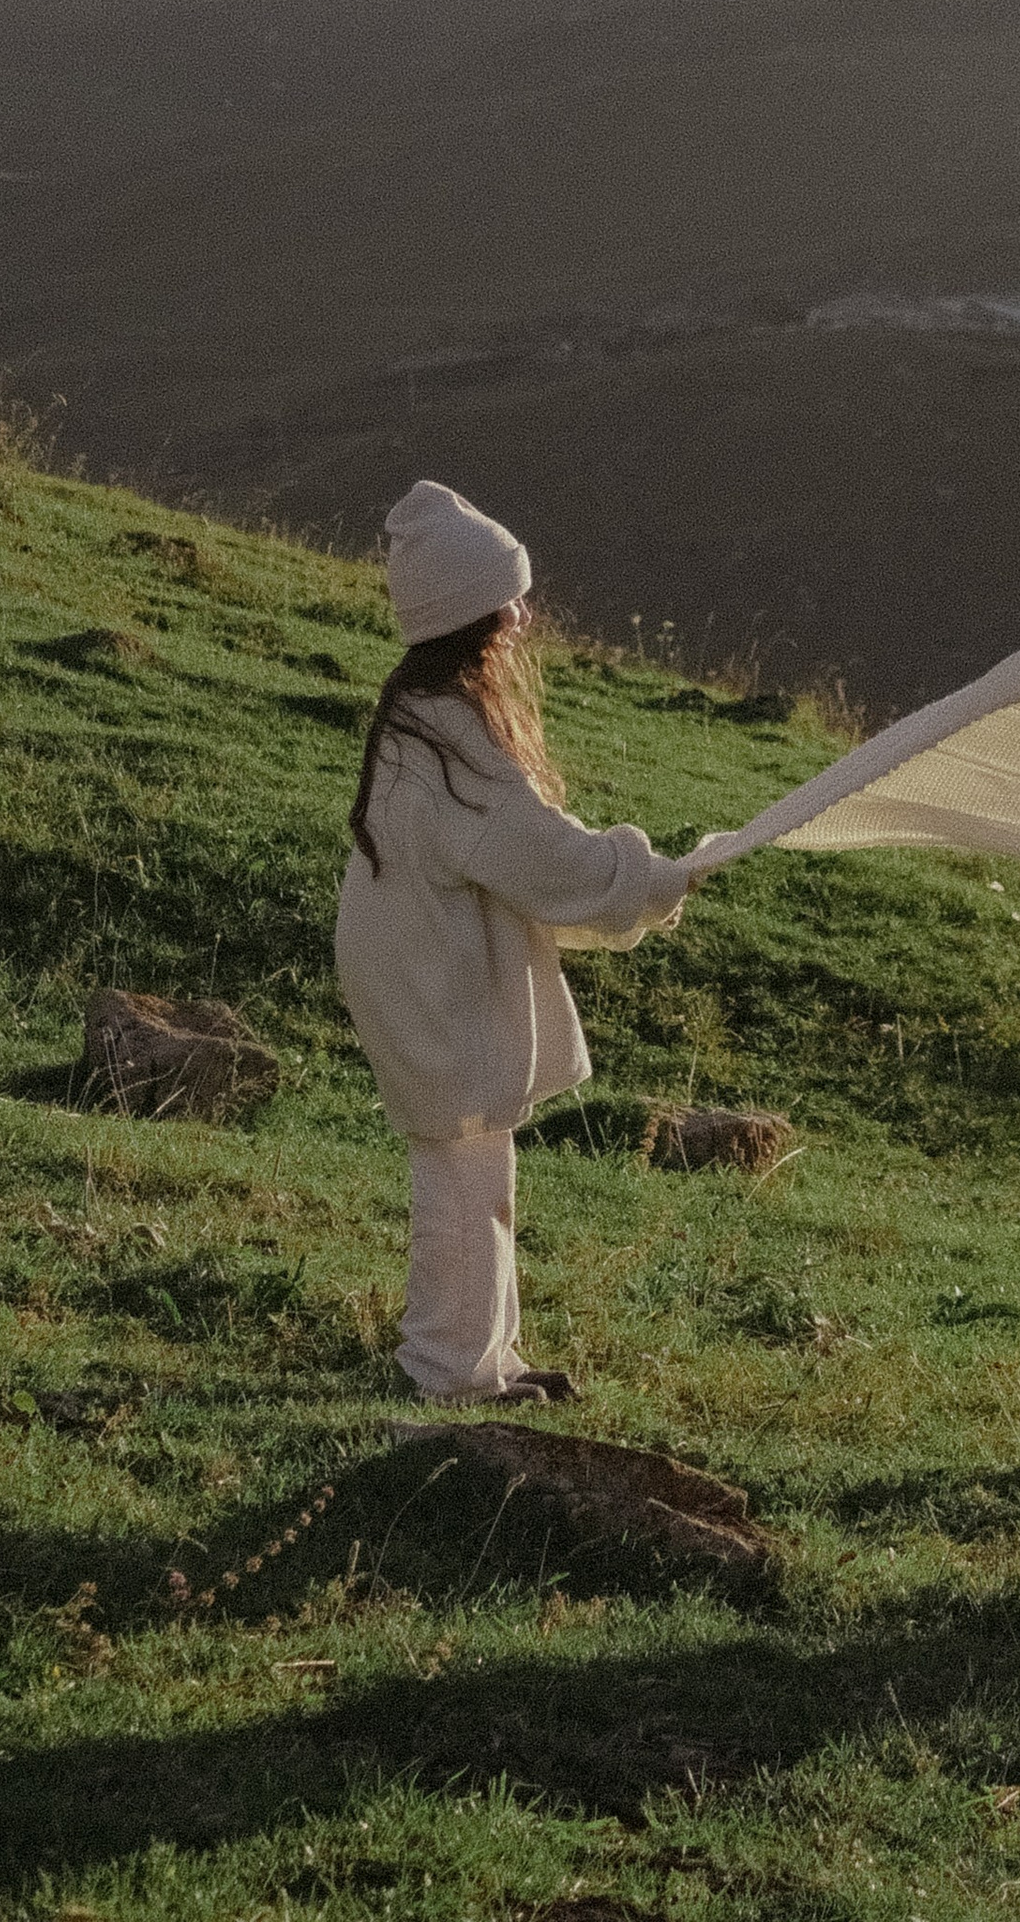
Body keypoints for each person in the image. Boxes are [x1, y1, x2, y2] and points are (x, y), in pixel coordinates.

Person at [336, 479, 694, 1408]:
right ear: (473, 621)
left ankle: (488, 1358)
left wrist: (643, 882)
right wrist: (655, 878)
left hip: (415, 970)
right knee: (463, 1177)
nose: (524, 619)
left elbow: (529, 863)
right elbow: (551, 864)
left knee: (477, 1168)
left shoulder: (426, 720)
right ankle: (450, 1372)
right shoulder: (454, 747)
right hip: (430, 984)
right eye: (510, 604)